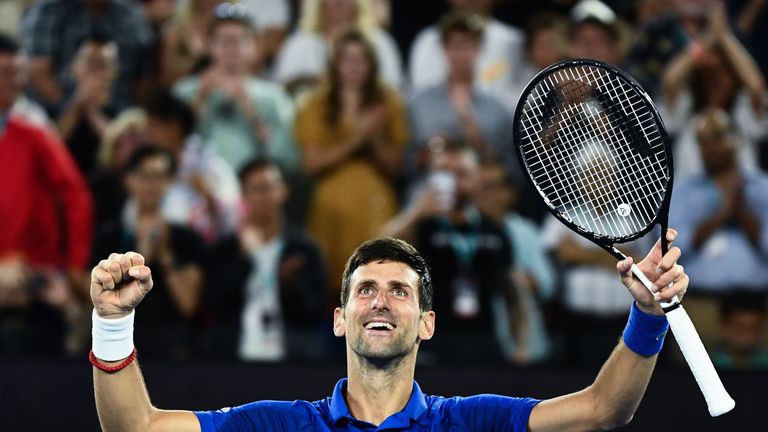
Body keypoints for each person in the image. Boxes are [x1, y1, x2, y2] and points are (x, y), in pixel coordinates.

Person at [89, 228, 688, 430]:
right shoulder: (278, 424)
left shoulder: (472, 421)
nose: (380, 302)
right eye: (365, 290)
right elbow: (135, 426)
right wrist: (113, 323)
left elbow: (605, 410)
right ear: (339, 317)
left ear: (426, 323)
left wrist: (647, 316)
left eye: (399, 291)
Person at [0, 34, 94, 354]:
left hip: (34, 271)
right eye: (4, 73)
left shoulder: (34, 133)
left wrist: (74, 266)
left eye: (17, 73)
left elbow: (76, 195)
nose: (12, 82)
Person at [295, 28, 408, 295]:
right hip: (329, 212)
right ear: (335, 64)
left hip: (375, 208)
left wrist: (374, 140)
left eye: (361, 59)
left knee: (377, 284)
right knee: (330, 288)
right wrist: (360, 136)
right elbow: (313, 164)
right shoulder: (316, 104)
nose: (354, 66)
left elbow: (394, 167)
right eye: (347, 59)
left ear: (372, 65)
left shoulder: (388, 102)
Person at [202, 158, 329, 361]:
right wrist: (243, 260)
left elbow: (315, 311)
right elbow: (212, 304)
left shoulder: (304, 249)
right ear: (243, 195)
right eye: (256, 189)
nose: (264, 196)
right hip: (231, 361)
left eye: (270, 187)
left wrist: (288, 283)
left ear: (284, 191)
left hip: (294, 361)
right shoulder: (226, 250)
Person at [91, 146, 205, 358]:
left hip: (172, 347)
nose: (151, 184)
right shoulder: (109, 236)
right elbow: (99, 297)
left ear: (169, 182)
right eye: (144, 176)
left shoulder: (186, 239)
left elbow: (188, 304)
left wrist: (165, 254)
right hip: (121, 342)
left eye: (158, 176)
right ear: (128, 180)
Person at [173, 4, 299, 173]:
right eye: (224, 40)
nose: (232, 48)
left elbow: (286, 156)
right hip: (196, 185)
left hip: (252, 189)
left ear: (253, 46)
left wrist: (250, 109)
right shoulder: (184, 91)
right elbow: (170, 146)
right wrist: (200, 99)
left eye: (240, 40)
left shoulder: (273, 97)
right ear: (209, 45)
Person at [406, 12, 516, 184]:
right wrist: (429, 155)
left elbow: (511, 170)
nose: (460, 53)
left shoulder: (498, 109)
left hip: (481, 191)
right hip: (428, 191)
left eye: (467, 45)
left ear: (479, 49)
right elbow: (404, 163)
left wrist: (473, 133)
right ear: (444, 49)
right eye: (454, 45)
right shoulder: (419, 103)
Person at [19, 0, 153, 113]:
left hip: (121, 112)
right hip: (58, 112)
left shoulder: (131, 13)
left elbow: (144, 75)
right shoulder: (48, 10)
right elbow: (39, 74)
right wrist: (77, 110)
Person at [144, 91, 240, 243]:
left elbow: (232, 216)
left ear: (174, 127)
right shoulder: (150, 165)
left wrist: (209, 196)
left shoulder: (210, 164)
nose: (147, 134)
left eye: (153, 126)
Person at [408, 0, 525, 112]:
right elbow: (419, 102)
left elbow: (524, 98)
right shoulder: (426, 42)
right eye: (455, 46)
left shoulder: (513, 42)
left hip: (500, 128)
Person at [272, 0, 402, 93]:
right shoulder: (299, 45)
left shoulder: (379, 42)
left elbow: (392, 94)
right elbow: (283, 95)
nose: (339, 1)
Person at [56, 33, 119, 175]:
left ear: (114, 72)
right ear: (74, 68)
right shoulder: (54, 107)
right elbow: (50, 146)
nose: (94, 72)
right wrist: (77, 106)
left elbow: (120, 153)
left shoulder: (124, 109)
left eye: (102, 65)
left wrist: (92, 111)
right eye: (90, 64)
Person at [712, 290, 768, 370]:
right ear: (724, 326)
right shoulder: (701, 365)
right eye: (740, 328)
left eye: (754, 328)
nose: (747, 334)